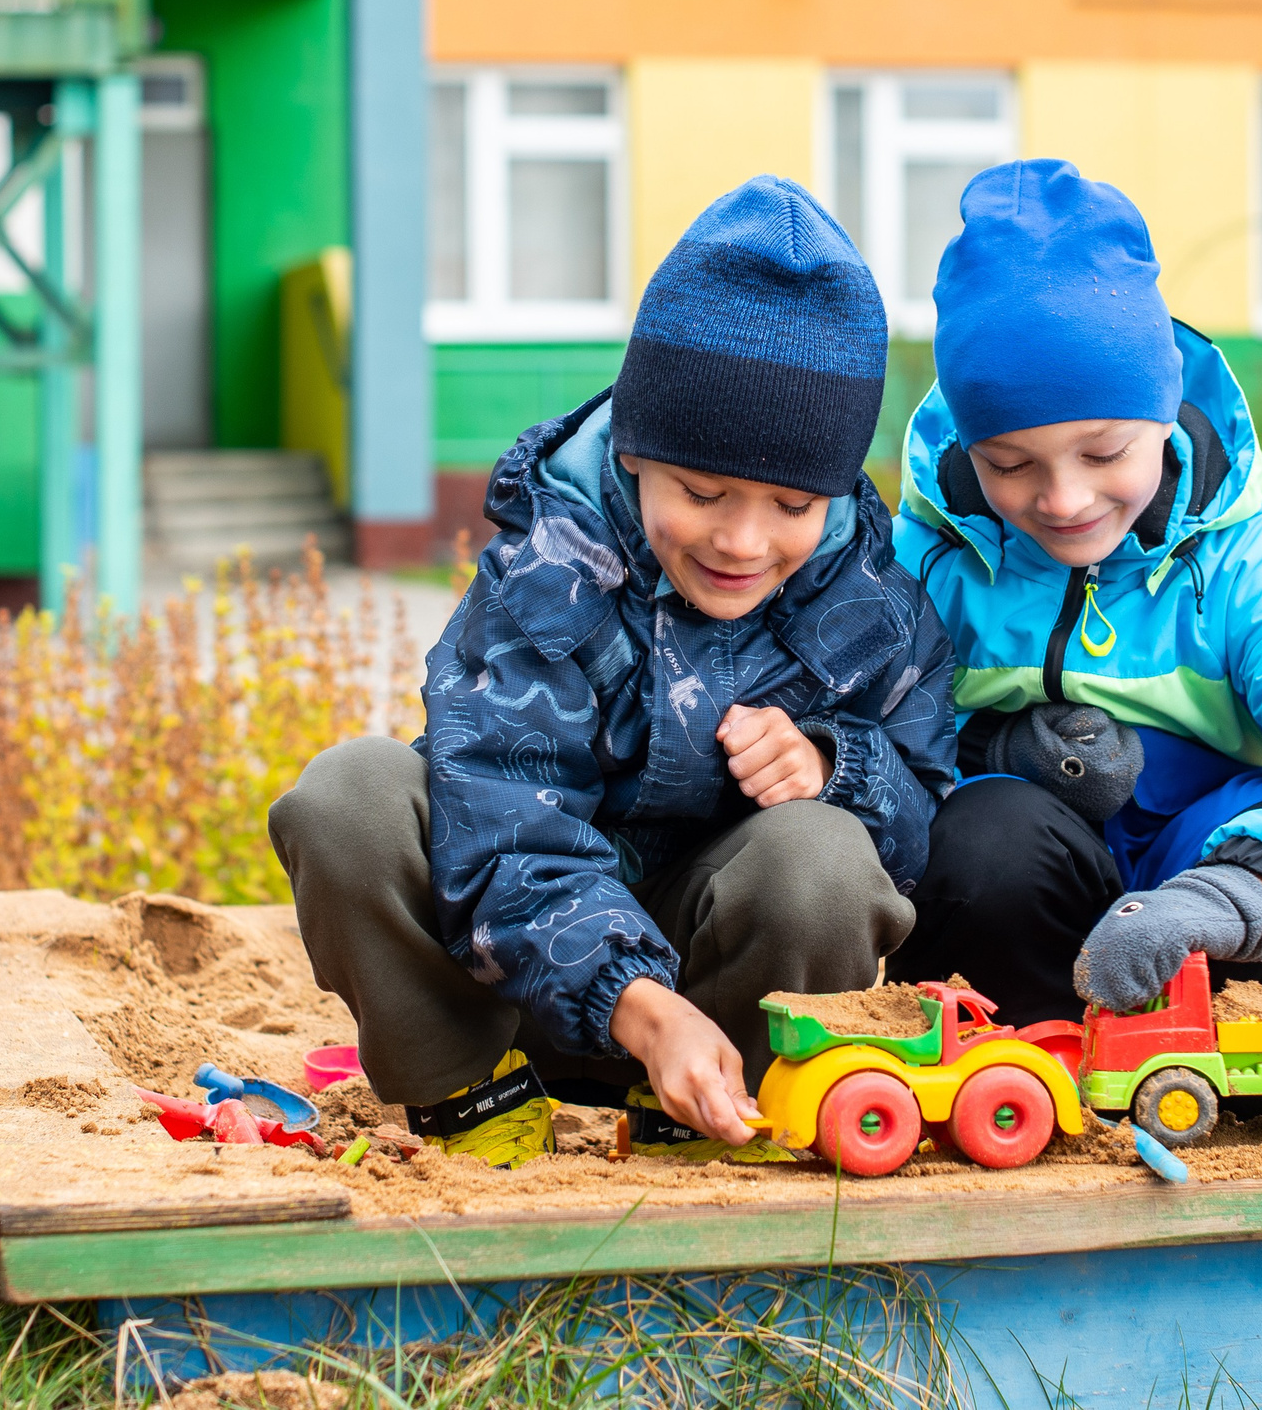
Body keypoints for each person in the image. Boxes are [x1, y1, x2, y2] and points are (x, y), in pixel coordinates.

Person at [270, 176, 955, 1163]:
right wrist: (639, 1007)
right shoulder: (544, 570)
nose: (743, 539)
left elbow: (926, 799)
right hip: (512, 982)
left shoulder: (870, 599)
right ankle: (468, 1101)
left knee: (822, 856)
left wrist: (836, 764)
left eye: (792, 505)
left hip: (717, 1009)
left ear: (836, 490)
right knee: (349, 797)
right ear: (635, 450)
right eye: (704, 490)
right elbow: (507, 835)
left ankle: (716, 1114)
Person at [887, 158, 1262, 1023]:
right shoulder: (925, 561)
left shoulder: (1241, 565)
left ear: (1165, 405)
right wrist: (990, 749)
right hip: (1031, 917)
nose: (1063, 500)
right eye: (1010, 465)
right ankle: (1044, 1051)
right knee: (984, 834)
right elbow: (857, 748)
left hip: (1203, 878)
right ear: (967, 445)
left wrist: (1240, 890)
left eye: (1105, 454)